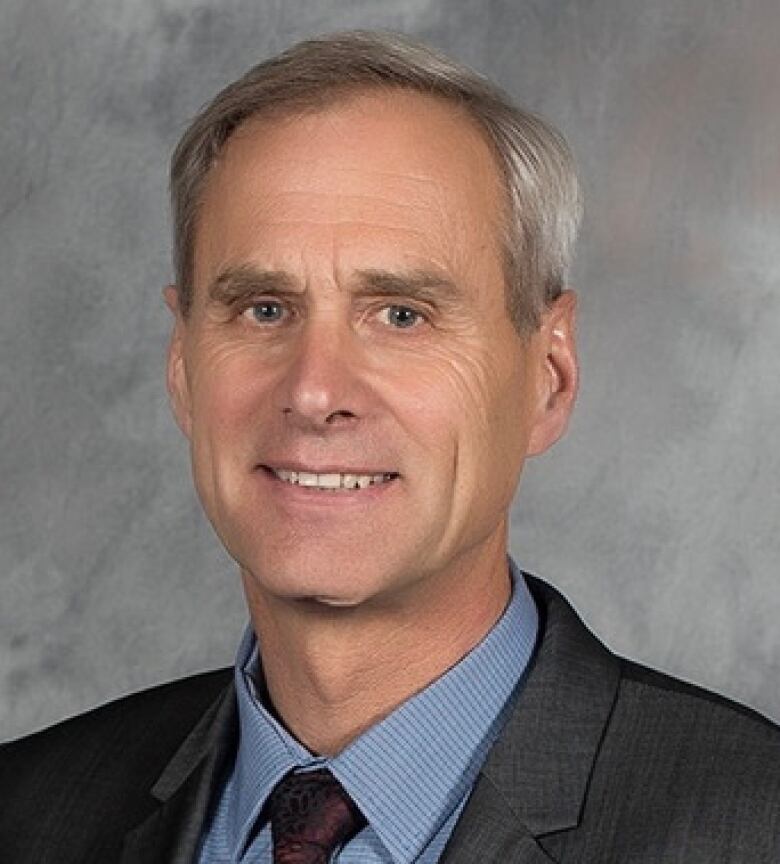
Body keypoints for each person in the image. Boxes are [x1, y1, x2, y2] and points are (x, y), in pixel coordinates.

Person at [1, 30, 778, 864]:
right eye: (264, 308)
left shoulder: (750, 825)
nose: (314, 391)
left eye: (401, 314)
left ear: (548, 376)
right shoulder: (28, 811)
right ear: (184, 367)